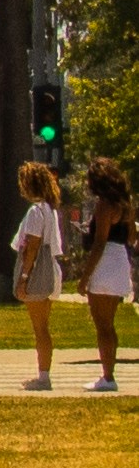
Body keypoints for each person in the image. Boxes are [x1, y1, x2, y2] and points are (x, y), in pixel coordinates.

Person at [15, 159, 69, 389]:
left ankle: (43, 376)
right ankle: (43, 373)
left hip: (38, 272)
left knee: (40, 328)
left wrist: (24, 278)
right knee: (43, 326)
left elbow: (33, 246)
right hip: (50, 270)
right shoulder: (49, 210)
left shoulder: (35, 212)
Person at [89, 160, 137, 395]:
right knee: (111, 323)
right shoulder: (126, 205)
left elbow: (99, 242)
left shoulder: (103, 205)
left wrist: (84, 277)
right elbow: (132, 237)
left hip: (105, 260)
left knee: (102, 325)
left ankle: (107, 376)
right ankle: (109, 372)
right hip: (120, 260)